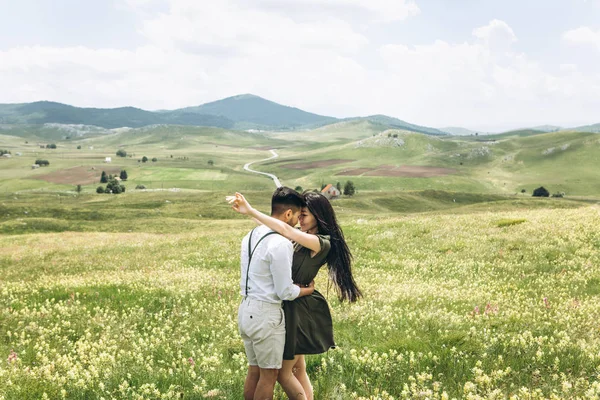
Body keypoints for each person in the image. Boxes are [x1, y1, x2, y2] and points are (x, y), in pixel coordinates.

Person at [231, 190, 362, 400]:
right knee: (298, 369)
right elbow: (277, 222)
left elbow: (282, 225)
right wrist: (251, 214)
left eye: (304, 216)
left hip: (297, 307)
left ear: (317, 218)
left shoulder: (321, 243)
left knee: (283, 373)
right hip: (288, 303)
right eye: (298, 215)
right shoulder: (301, 238)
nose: (299, 220)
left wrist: (251, 211)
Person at [237, 187, 315, 400]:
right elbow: (285, 291)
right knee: (269, 375)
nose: (298, 223)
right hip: (266, 315)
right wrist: (308, 289)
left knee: (253, 371)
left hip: (245, 309)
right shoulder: (281, 243)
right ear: (288, 214)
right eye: (298, 216)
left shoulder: (251, 235)